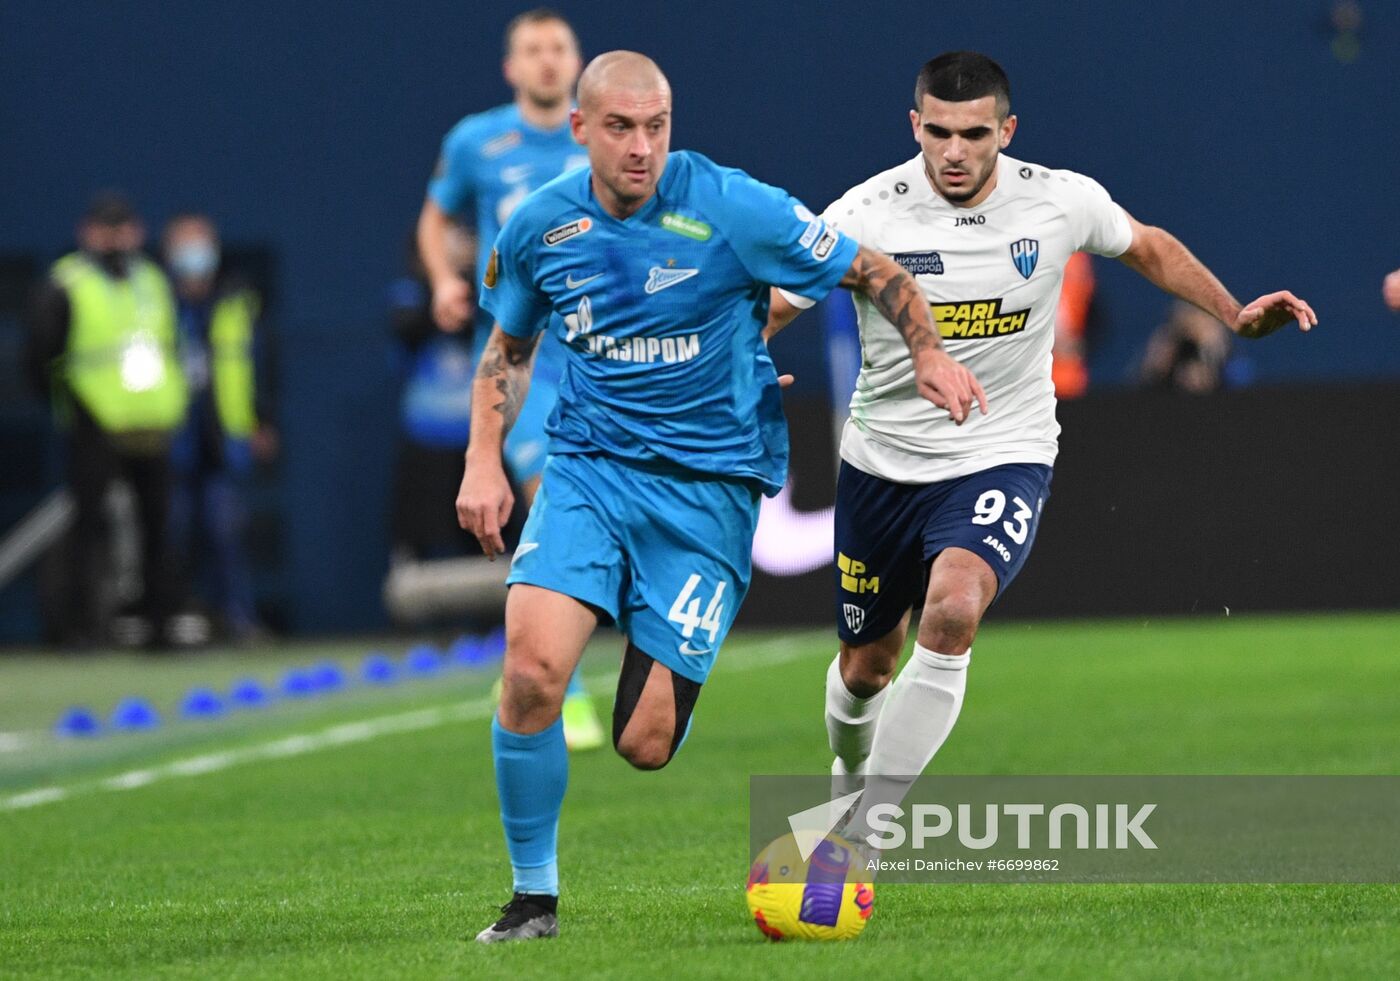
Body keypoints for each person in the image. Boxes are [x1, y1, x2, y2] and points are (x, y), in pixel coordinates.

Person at [456, 50, 982, 942]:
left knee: (644, 745)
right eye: (620, 128)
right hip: (588, 470)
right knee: (532, 671)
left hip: (709, 493)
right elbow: (507, 350)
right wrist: (481, 457)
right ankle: (531, 898)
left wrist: (929, 352)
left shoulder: (733, 206)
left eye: (657, 127)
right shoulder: (540, 226)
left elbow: (879, 272)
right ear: (580, 130)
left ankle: (648, 643)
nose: (641, 147)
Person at [766, 51, 1316, 846]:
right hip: (882, 462)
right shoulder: (865, 211)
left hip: (1004, 447)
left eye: (975, 133)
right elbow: (780, 298)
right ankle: (845, 786)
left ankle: (853, 838)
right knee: (865, 670)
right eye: (939, 132)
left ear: (1007, 130)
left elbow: (1147, 245)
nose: (954, 152)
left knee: (953, 611)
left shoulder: (1058, 200)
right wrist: (734, 367)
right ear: (914, 125)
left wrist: (1233, 314)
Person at [416, 7, 602, 750]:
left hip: (603, 350)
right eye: (534, 50)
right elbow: (435, 219)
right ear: (512, 67)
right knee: (548, 499)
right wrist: (441, 279)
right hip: (521, 357)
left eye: (559, 48)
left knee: (598, 508)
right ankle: (563, 684)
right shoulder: (476, 140)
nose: (548, 61)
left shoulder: (604, 135)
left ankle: (571, 665)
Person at [26, 192, 188, 648]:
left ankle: (161, 625)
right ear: (87, 232)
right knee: (88, 527)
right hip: (94, 423)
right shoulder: (68, 282)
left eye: (123, 227)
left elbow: (169, 346)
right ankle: (77, 628)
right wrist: (71, 407)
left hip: (151, 423)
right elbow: (40, 355)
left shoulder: (152, 279)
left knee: (157, 524)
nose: (116, 237)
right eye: (106, 227)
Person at [162, 213, 274, 643]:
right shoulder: (156, 300)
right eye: (185, 248)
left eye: (201, 246)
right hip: (172, 435)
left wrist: (261, 420)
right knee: (172, 533)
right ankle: (175, 622)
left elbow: (259, 364)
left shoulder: (236, 299)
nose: (195, 258)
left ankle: (236, 619)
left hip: (223, 436)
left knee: (226, 532)